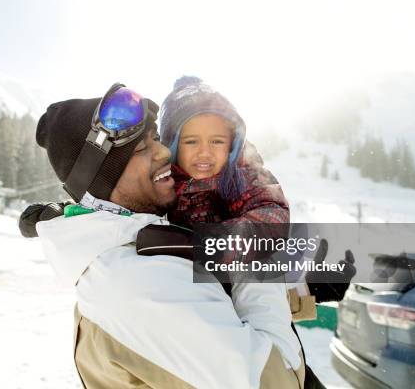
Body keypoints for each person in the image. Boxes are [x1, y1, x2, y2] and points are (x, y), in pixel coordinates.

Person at [33, 83, 305, 388]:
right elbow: (280, 376)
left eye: (156, 139)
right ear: (101, 180)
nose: (164, 152)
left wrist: (303, 284)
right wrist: (258, 268)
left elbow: (216, 294)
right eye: (141, 148)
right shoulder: (140, 284)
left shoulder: (130, 241)